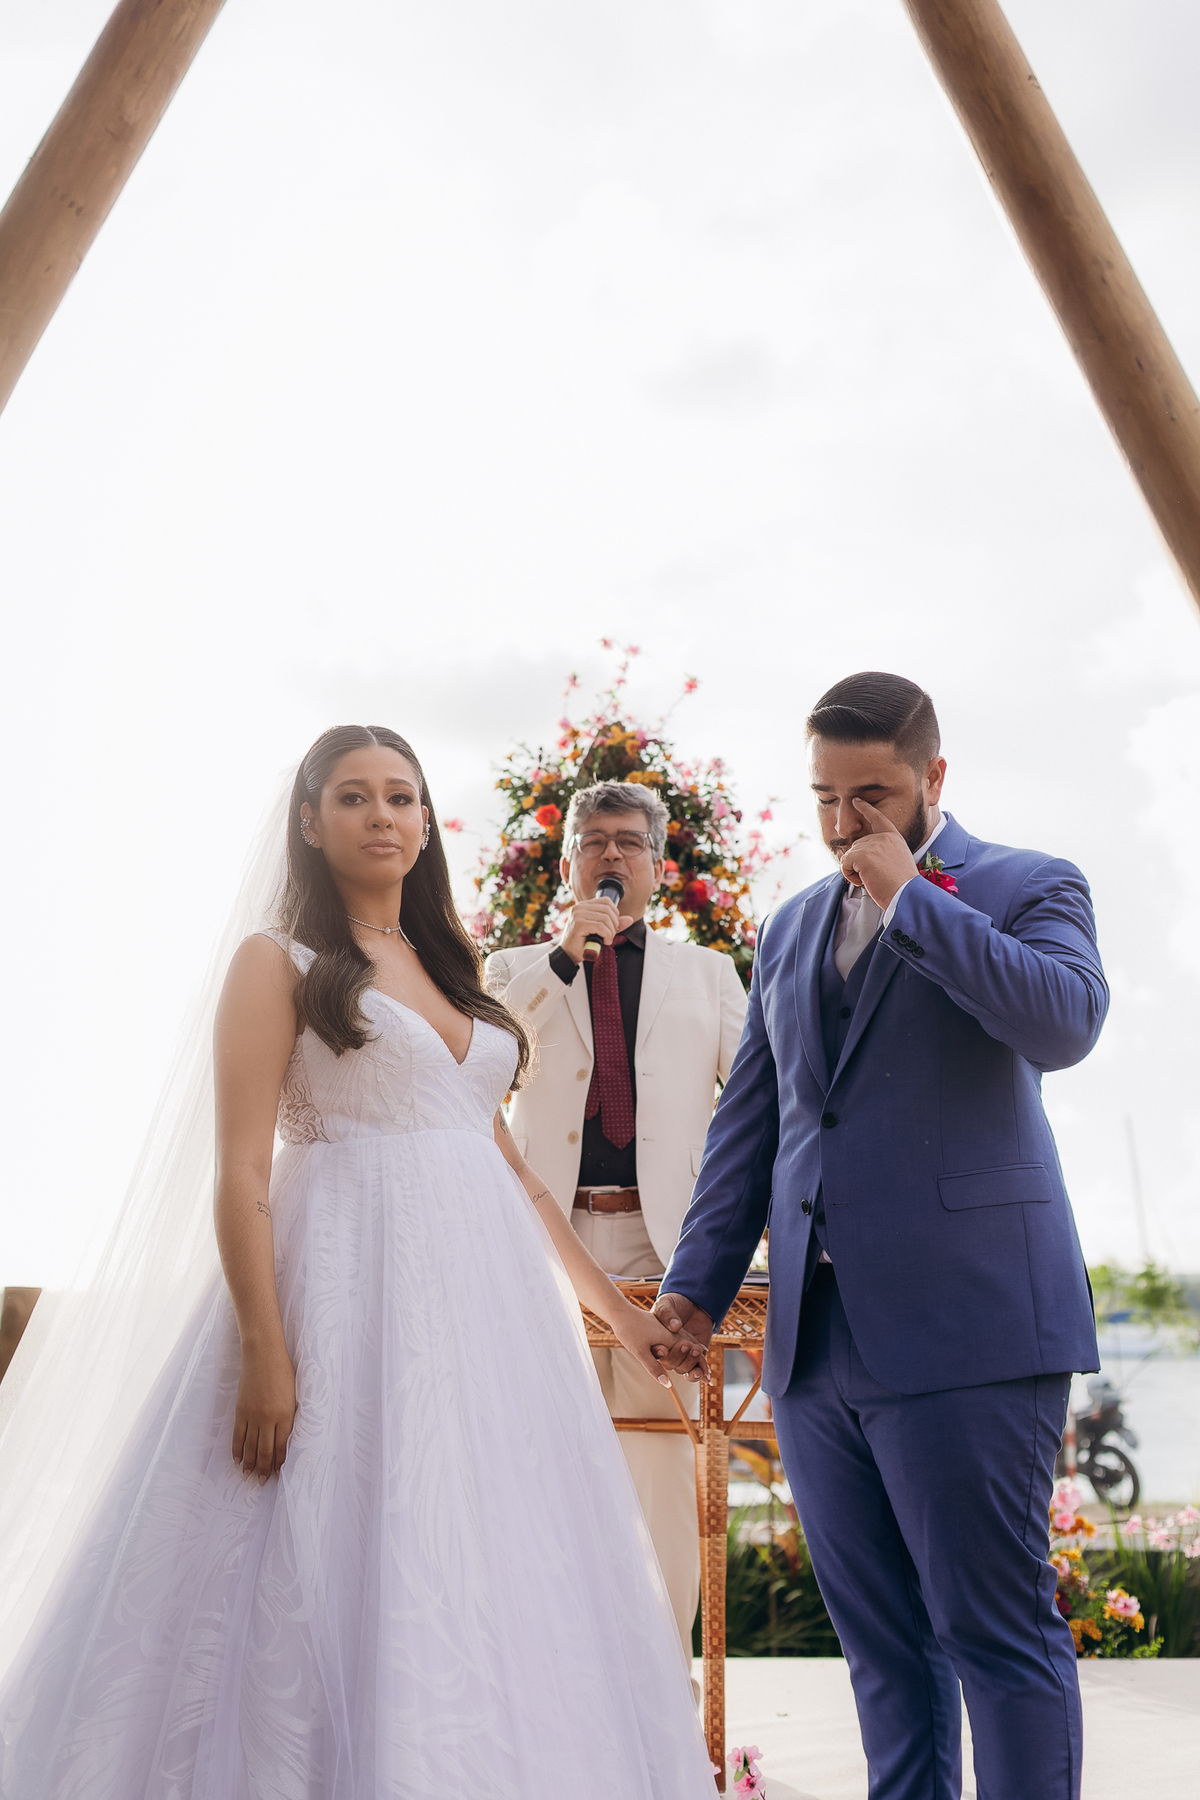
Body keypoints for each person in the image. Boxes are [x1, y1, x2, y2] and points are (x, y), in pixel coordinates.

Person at [0, 725, 717, 1800]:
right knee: (313, 1558)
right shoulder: (276, 961)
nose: (382, 814)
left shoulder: (453, 964)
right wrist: (264, 1348)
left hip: (484, 1324)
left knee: (487, 1559)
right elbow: (242, 1168)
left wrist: (620, 1318)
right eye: (353, 796)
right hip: (337, 1296)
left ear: (426, 823)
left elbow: (518, 1179)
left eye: (401, 796)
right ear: (308, 820)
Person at [654, 672, 1107, 1800]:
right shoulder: (789, 927)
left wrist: (915, 901)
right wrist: (695, 1289)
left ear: (932, 777)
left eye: (873, 795)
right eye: (825, 796)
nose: (845, 821)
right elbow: (754, 1124)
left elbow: (1063, 1023)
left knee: (995, 1635)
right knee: (883, 1657)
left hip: (972, 1331)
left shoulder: (1030, 884)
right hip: (815, 1348)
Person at [485, 779, 747, 1661]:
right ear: (568, 865)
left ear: (658, 867)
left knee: (662, 1464)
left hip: (662, 1244)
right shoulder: (512, 970)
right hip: (539, 1236)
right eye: (593, 841)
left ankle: (663, 1676)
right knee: (533, 1455)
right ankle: (546, 1670)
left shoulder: (708, 975)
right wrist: (564, 957)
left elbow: (757, 1101)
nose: (611, 855)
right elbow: (479, 1063)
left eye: (629, 842)